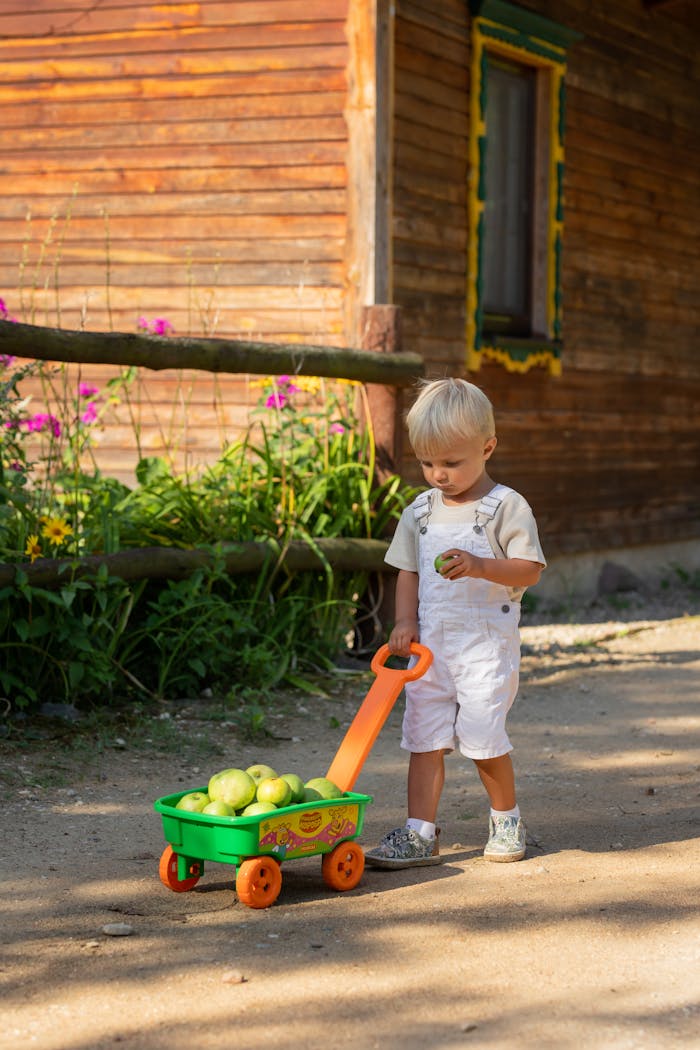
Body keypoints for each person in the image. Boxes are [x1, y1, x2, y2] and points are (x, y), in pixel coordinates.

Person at [365, 377, 545, 869]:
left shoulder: (505, 507)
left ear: (487, 447)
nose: (438, 475)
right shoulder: (419, 513)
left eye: (451, 463)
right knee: (424, 739)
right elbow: (408, 570)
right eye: (427, 463)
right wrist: (404, 621)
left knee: (484, 738)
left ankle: (506, 818)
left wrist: (481, 564)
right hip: (432, 651)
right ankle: (420, 831)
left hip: (486, 646)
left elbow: (529, 569)